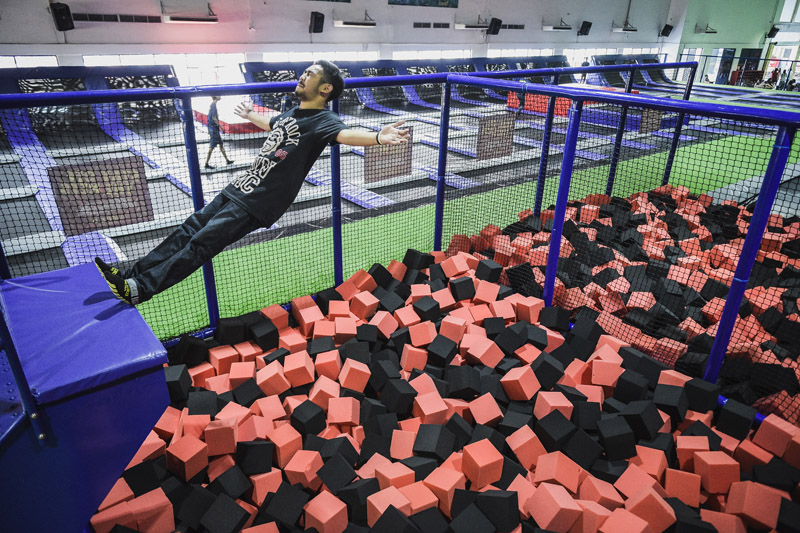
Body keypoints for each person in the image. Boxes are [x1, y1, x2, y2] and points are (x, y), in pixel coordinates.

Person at [96, 60, 410, 305]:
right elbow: (273, 122)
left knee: (200, 244)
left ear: (325, 89)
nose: (302, 76)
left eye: (310, 74)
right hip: (239, 188)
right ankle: (131, 275)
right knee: (187, 231)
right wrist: (250, 114)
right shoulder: (293, 113)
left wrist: (378, 137)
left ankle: (140, 290)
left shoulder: (324, 121)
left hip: (258, 202)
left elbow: (345, 134)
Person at [204, 96, 234, 169]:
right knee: (211, 147)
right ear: (215, 97)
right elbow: (214, 118)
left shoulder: (213, 105)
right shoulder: (213, 105)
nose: (220, 96)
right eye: (218, 95)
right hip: (214, 129)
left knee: (221, 144)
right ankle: (206, 163)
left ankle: (227, 160)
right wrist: (221, 127)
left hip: (214, 129)